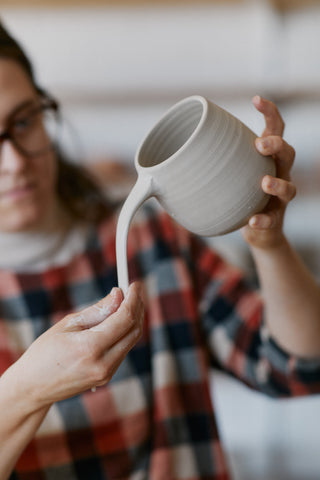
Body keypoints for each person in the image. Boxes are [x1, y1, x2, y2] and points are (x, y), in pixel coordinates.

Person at [0, 20, 319, 480]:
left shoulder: (152, 237)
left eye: (24, 120)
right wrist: (25, 391)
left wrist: (269, 244)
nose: (13, 164)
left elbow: (297, 368)